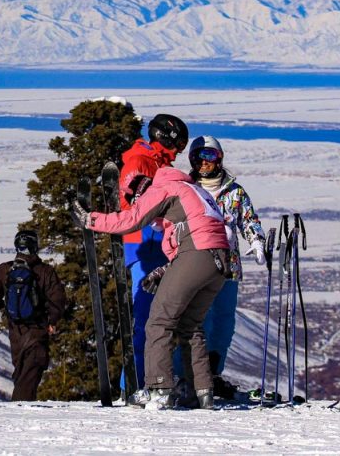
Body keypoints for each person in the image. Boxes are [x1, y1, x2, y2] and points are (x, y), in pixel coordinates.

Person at [73, 164, 229, 410]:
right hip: (219, 263)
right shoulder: (195, 190)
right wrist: (163, 271)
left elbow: (132, 219)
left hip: (196, 253)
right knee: (190, 324)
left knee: (159, 321)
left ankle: (158, 389)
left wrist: (90, 219)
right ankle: (202, 392)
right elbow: (202, 236)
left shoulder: (162, 188)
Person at [190, 136, 267, 399]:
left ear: (219, 158)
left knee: (224, 323)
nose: (204, 162)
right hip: (197, 266)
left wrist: (256, 240)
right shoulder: (187, 189)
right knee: (201, 321)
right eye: (200, 156)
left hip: (229, 268)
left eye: (210, 156)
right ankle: (189, 376)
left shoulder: (234, 192)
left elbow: (248, 219)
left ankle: (213, 374)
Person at [117, 113, 188, 389]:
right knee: (146, 319)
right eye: (178, 143)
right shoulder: (140, 161)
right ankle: (132, 385)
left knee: (163, 318)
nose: (179, 150)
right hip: (144, 247)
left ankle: (152, 380)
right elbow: (134, 205)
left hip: (158, 246)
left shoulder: (157, 162)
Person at [0, 230, 68, 401]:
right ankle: (19, 412)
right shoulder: (45, 271)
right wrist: (53, 321)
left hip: (16, 331)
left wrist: (6, 308)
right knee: (29, 377)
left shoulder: (4, 269)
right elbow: (57, 300)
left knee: (21, 372)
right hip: (37, 330)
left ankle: (20, 409)